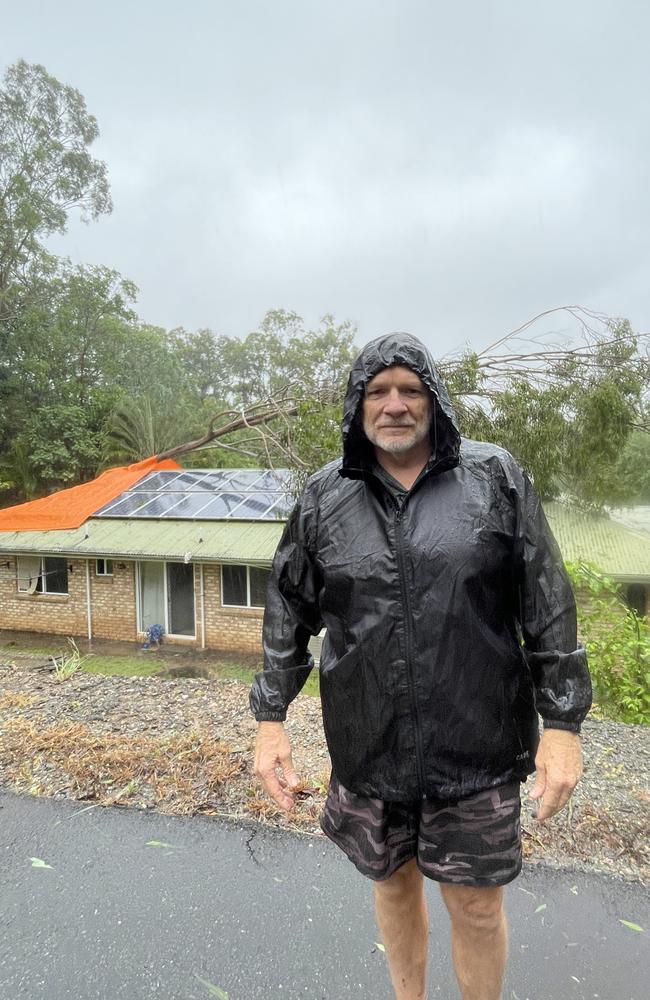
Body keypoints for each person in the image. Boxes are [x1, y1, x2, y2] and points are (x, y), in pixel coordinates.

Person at [250, 332, 591, 1000]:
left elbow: (547, 601)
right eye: (379, 391)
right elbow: (288, 611)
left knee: (476, 906)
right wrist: (269, 719)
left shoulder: (495, 479)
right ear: (357, 405)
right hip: (367, 744)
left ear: (434, 399)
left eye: (411, 389)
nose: (396, 405)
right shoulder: (325, 497)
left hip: (477, 746)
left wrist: (564, 724)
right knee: (394, 889)